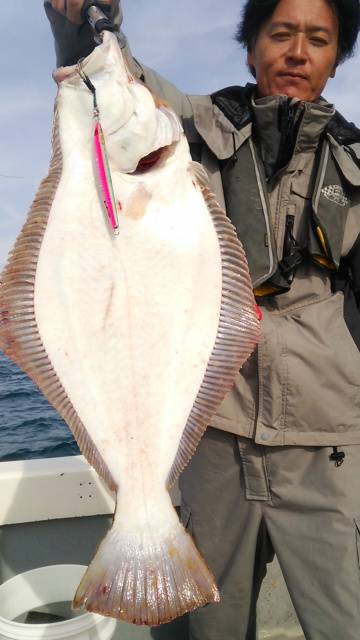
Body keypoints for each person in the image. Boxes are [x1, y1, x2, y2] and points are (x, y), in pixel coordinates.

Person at [44, 1, 360, 638]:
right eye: (280, 33)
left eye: (319, 40)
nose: (297, 52)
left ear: (335, 60)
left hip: (326, 443)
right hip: (214, 437)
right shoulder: (185, 125)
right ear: (250, 47)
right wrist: (80, 23)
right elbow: (110, 81)